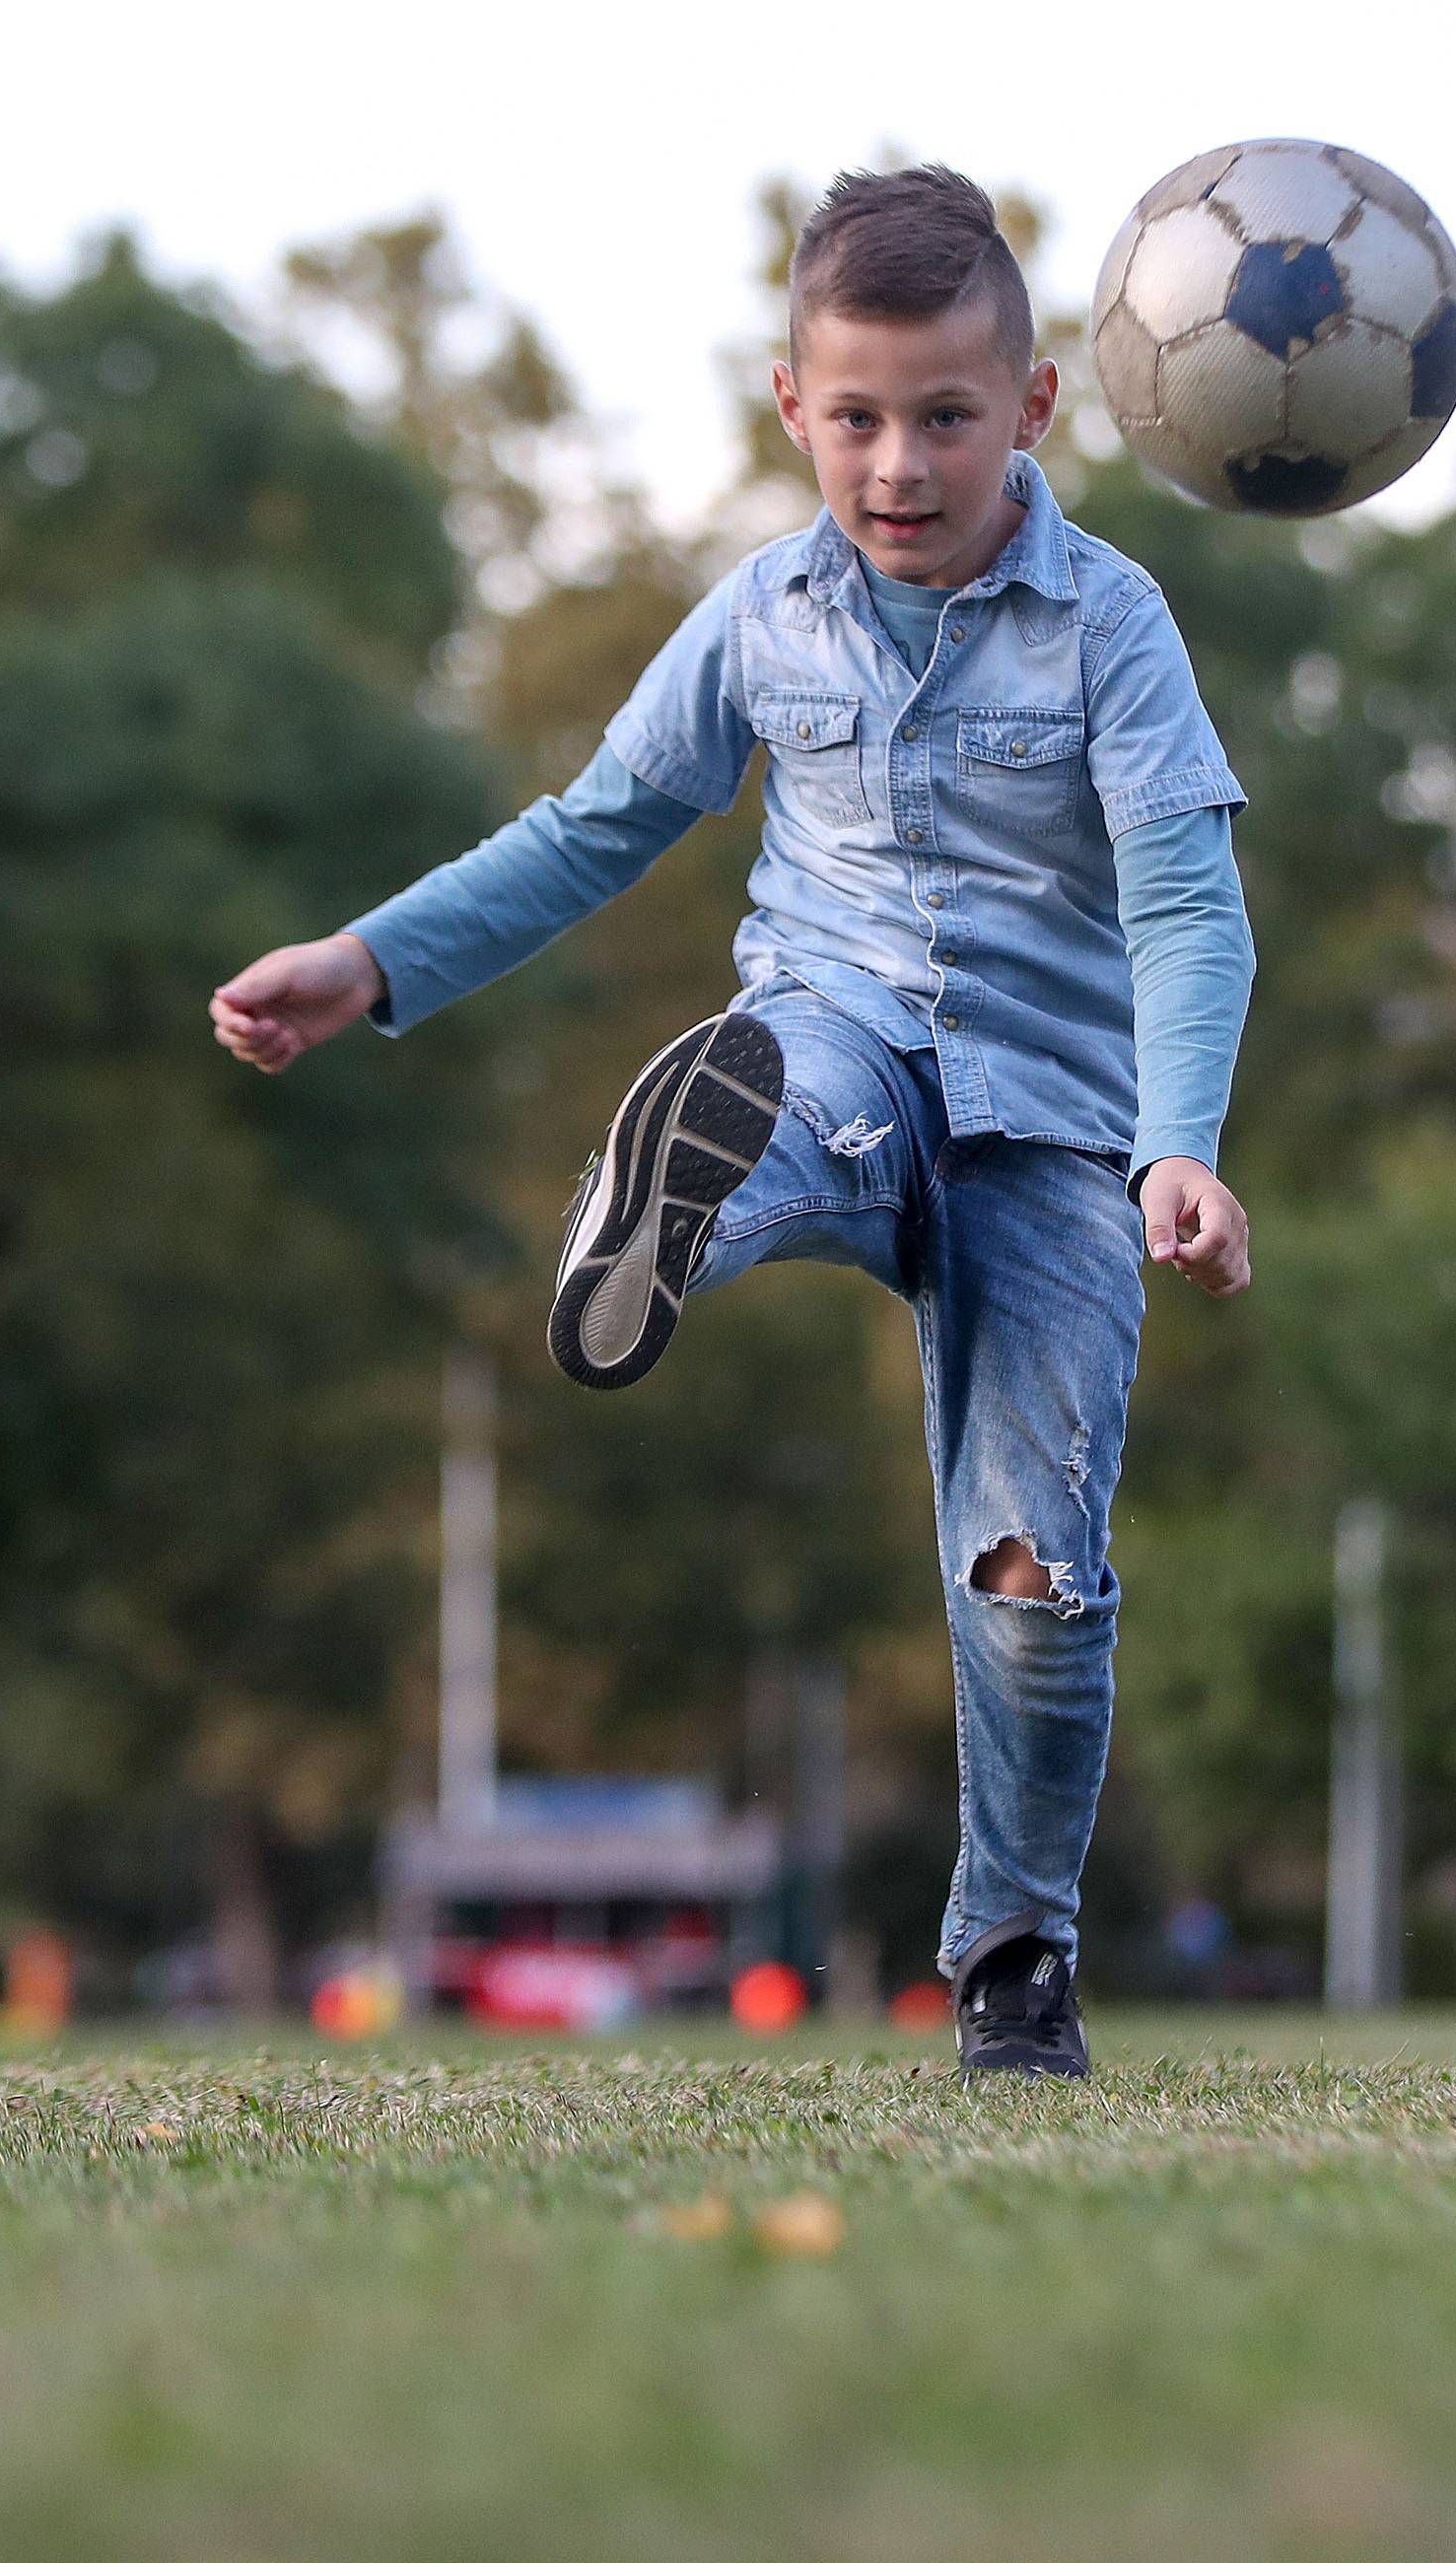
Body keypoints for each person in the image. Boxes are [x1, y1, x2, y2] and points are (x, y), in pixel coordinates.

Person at [210, 166, 1255, 2079]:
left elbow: (1188, 902)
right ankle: (677, 1193)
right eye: (855, 417)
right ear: (793, 408)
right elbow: (592, 830)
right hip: (835, 1031)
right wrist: (370, 961)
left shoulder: (1112, 623)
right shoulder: (762, 622)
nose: (899, 463)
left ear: (1029, 411)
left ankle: (1013, 1959)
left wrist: (1181, 1138)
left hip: (1058, 1129)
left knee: (1037, 1564)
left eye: (946, 416)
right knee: (805, 1096)